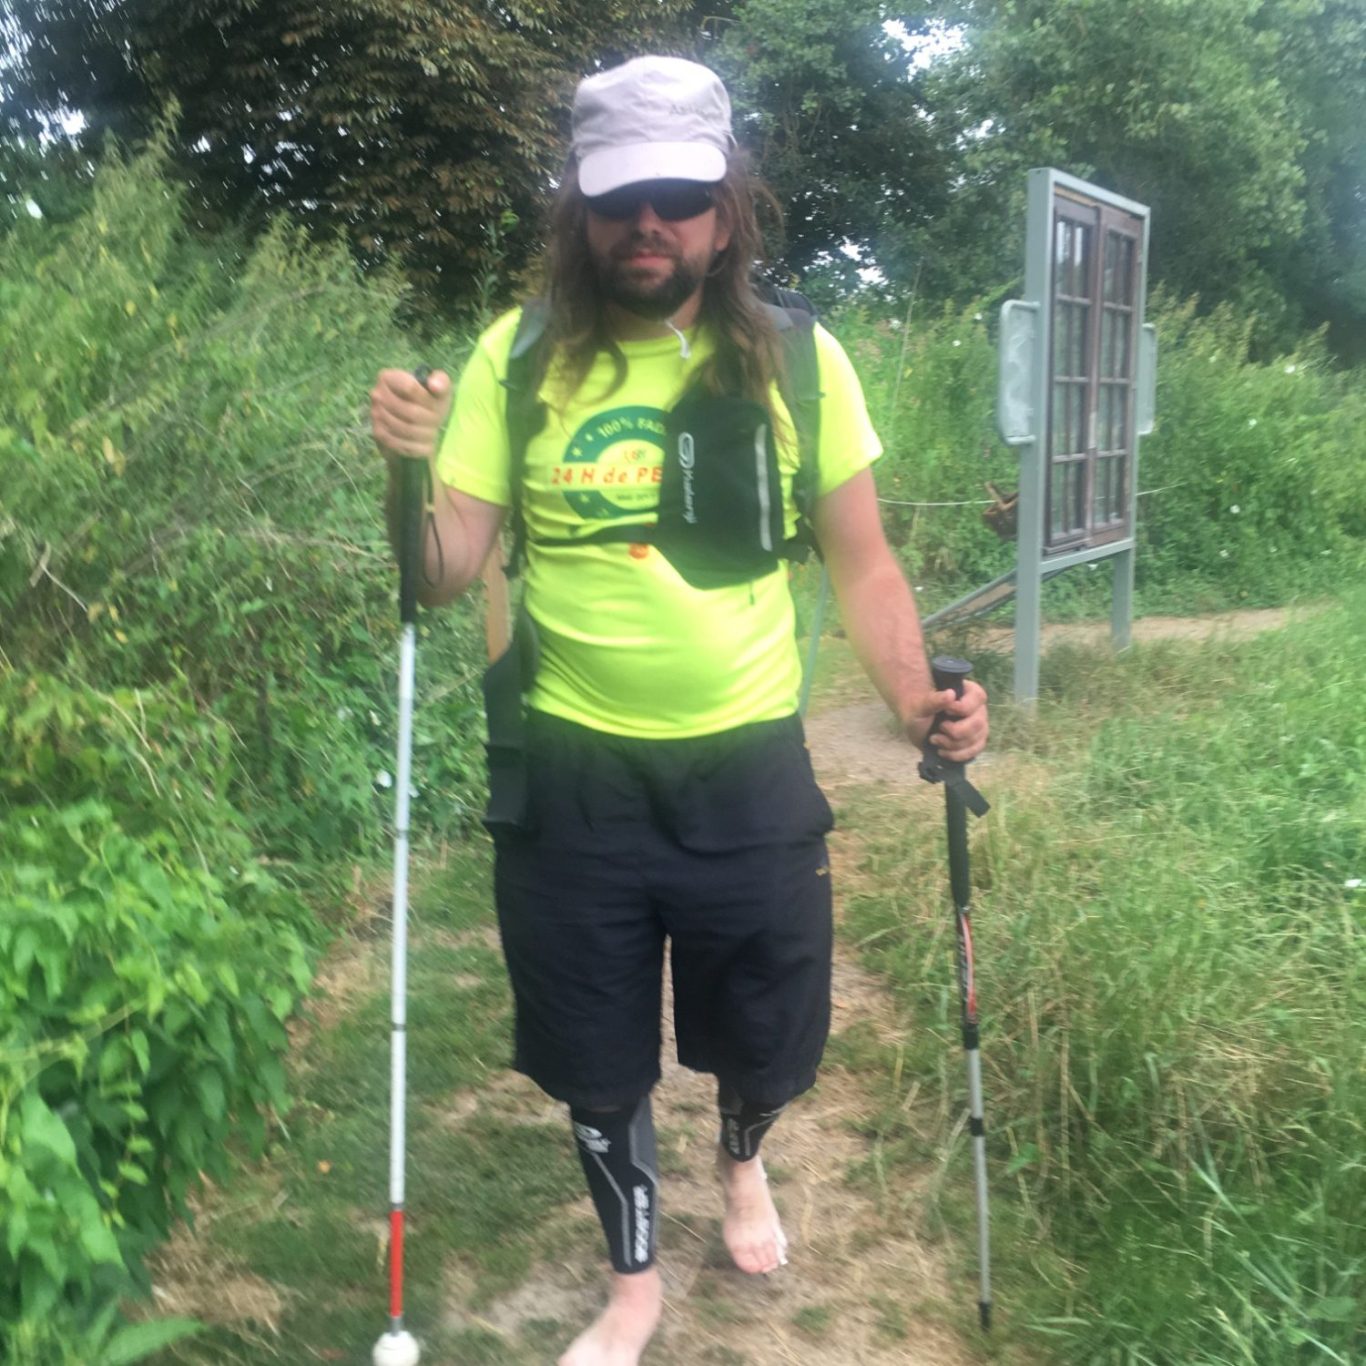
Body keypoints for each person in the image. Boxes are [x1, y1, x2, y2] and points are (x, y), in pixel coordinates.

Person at [370, 54, 988, 1366]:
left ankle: (743, 1154)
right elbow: (439, 571)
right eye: (618, 198)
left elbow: (862, 558)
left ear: (724, 208)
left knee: (765, 1038)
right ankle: (632, 1281)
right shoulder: (515, 356)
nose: (646, 224)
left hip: (747, 769)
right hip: (572, 776)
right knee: (596, 1055)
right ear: (578, 210)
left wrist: (921, 701)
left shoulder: (800, 364)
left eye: (677, 196)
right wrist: (400, 478)